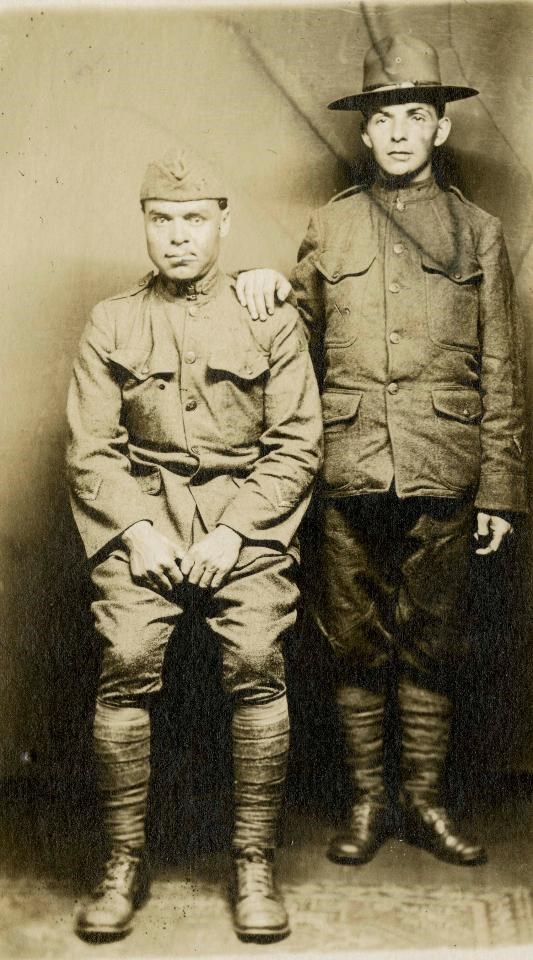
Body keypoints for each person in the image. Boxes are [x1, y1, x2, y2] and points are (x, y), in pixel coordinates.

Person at [236, 34, 527, 868]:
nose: (398, 132)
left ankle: (426, 807)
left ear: (440, 130)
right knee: (352, 641)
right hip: (347, 469)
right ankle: (367, 805)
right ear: (363, 134)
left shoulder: (479, 234)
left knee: (432, 642)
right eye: (382, 118)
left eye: (415, 116)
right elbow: (294, 345)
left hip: (447, 470)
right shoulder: (329, 227)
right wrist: (260, 285)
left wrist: (500, 493)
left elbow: (503, 365)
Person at [66, 145, 322, 942]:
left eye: (193, 221)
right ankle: (122, 860)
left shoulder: (267, 315)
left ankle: (253, 860)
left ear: (222, 225)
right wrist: (136, 530)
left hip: (245, 523)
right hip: (140, 522)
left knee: (253, 663)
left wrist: (233, 533)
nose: (178, 237)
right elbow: (90, 450)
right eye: (161, 221)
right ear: (145, 226)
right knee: (127, 663)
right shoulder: (112, 320)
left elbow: (295, 447)